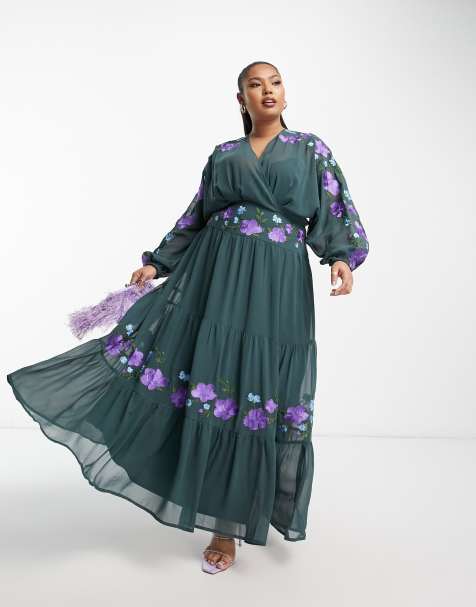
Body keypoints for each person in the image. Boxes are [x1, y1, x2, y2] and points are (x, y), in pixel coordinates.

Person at [6, 60, 369, 575]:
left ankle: (237, 516)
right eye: (255, 85)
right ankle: (221, 523)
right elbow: (196, 215)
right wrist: (158, 262)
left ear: (285, 94)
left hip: (277, 282)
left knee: (255, 389)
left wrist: (340, 258)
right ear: (241, 100)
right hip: (213, 277)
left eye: (275, 83)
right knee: (213, 381)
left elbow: (335, 211)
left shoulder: (310, 149)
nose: (267, 91)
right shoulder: (224, 155)